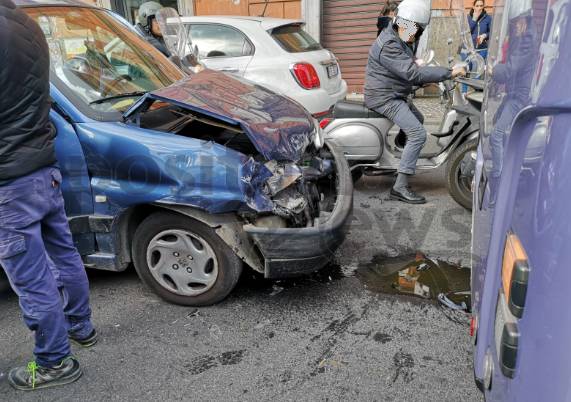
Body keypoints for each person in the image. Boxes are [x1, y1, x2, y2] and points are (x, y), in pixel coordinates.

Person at [0, 0, 96, 391]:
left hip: (9, 179)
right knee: (64, 252)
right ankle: (81, 327)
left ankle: (55, 362)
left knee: (31, 277)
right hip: (42, 167)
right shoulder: (26, 23)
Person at [364, 0, 466, 204]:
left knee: (418, 119)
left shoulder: (397, 36)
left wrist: (419, 64)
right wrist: (448, 72)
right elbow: (411, 73)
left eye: (418, 30)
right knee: (418, 134)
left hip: (393, 92)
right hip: (384, 96)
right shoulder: (389, 43)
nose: (415, 34)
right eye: (415, 29)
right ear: (403, 22)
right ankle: (399, 187)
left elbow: (406, 65)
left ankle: (402, 159)